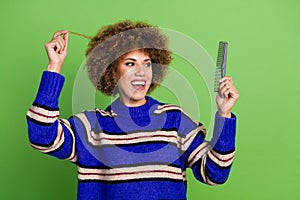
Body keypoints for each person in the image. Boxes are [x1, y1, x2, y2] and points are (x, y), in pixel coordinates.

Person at [26, 20, 239, 200]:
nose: (141, 73)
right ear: (112, 71)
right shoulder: (92, 127)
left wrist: (224, 114)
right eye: (130, 63)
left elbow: (216, 173)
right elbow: (41, 135)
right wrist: (54, 67)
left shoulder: (175, 121)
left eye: (147, 64)